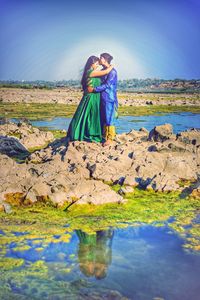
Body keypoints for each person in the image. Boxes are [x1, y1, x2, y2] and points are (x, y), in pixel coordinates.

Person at [67, 56, 113, 142]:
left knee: (91, 115)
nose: (97, 65)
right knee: (88, 114)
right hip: (91, 96)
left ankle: (90, 132)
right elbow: (106, 71)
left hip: (94, 96)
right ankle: (86, 133)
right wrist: (112, 66)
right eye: (96, 64)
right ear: (92, 64)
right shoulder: (91, 72)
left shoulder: (93, 71)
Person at [88, 53, 118, 146]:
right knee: (103, 117)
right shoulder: (103, 70)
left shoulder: (112, 72)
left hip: (109, 97)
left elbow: (107, 85)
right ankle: (103, 136)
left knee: (109, 117)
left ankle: (110, 138)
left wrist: (94, 89)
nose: (99, 59)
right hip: (101, 97)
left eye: (101, 58)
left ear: (105, 59)